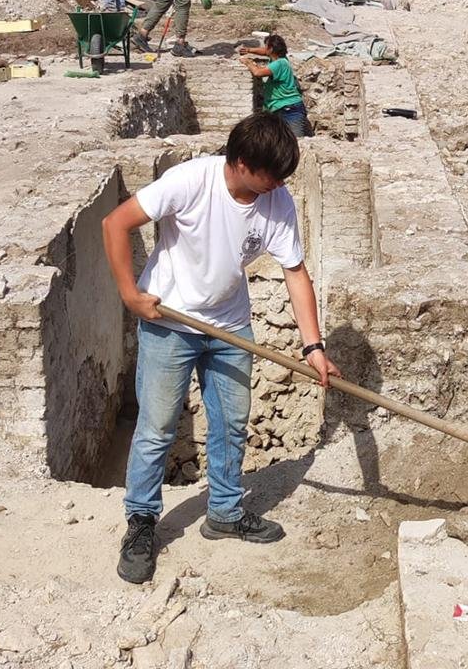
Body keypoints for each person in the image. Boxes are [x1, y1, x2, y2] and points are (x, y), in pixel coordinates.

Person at [101, 112, 341, 584]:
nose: (275, 187)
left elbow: (295, 272)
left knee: (231, 424)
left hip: (231, 328)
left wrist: (313, 345)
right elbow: (115, 223)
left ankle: (225, 512)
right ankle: (142, 522)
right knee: (157, 427)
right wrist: (130, 293)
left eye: (281, 179)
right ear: (240, 161)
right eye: (269, 176)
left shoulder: (277, 200)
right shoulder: (191, 181)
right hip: (170, 322)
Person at [239, 34, 311, 137]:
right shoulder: (278, 58)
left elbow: (258, 73)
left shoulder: (279, 64)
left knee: (295, 140)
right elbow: (264, 51)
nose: (265, 49)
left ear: (271, 49)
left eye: (267, 46)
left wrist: (248, 63)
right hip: (279, 108)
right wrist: (249, 50)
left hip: (289, 109)